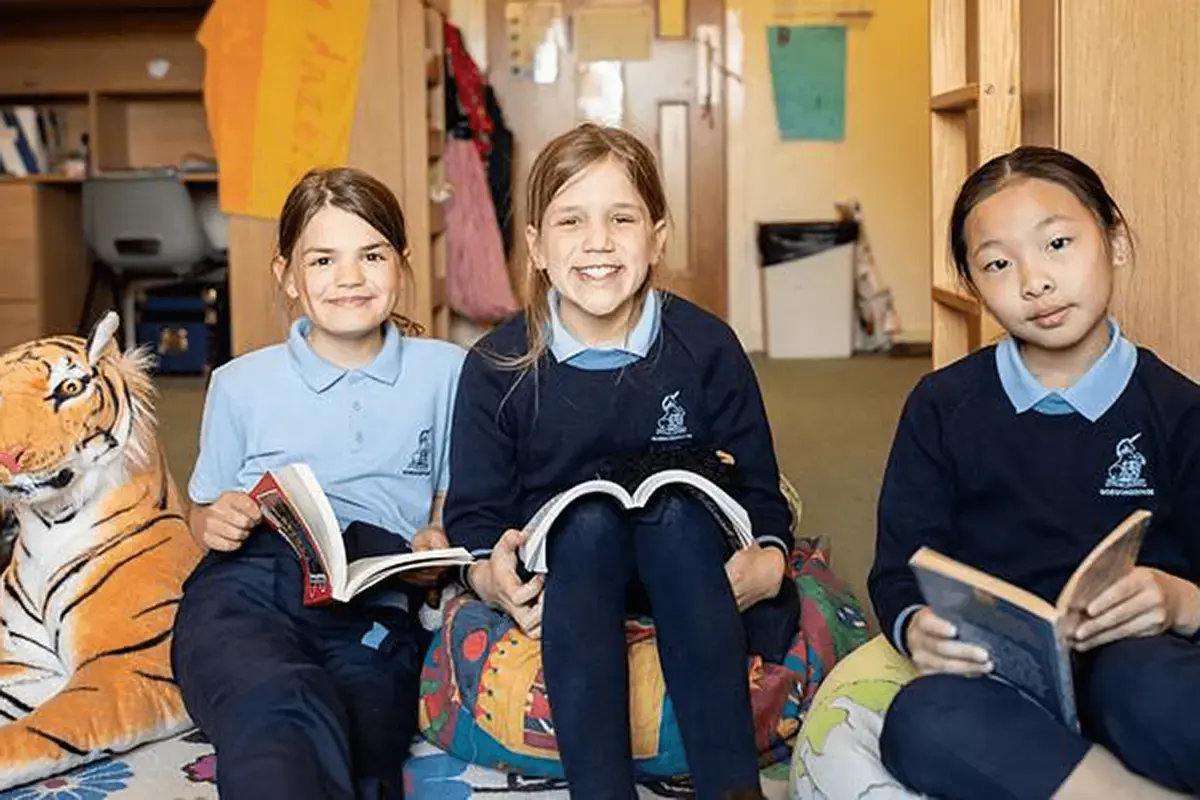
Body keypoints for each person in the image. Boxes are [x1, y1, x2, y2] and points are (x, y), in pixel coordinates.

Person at [443, 122, 799, 800]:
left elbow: (759, 485)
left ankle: (733, 789)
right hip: (570, 584)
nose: (598, 241)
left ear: (657, 237)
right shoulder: (497, 365)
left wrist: (772, 556)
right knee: (592, 521)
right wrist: (489, 575)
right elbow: (474, 516)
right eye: (570, 220)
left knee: (672, 513)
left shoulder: (706, 345)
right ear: (537, 247)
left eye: (622, 218)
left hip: (695, 573)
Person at [869, 145, 1200, 799]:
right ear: (972, 284)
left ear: (1114, 240)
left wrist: (1179, 600)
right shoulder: (943, 406)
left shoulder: (1178, 410)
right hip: (998, 674)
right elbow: (898, 568)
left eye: (1057, 244)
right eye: (998, 263)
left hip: (1138, 662)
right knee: (919, 721)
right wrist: (918, 628)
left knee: (1159, 694)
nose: (1034, 281)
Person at [171, 167, 466, 800]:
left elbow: (453, 503)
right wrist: (212, 522)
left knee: (371, 735)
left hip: (374, 594)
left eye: (372, 255)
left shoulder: (449, 373)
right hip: (248, 583)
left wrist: (435, 543)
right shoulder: (239, 384)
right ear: (288, 276)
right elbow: (202, 515)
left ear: (402, 263)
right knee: (279, 705)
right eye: (324, 259)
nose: (350, 278)